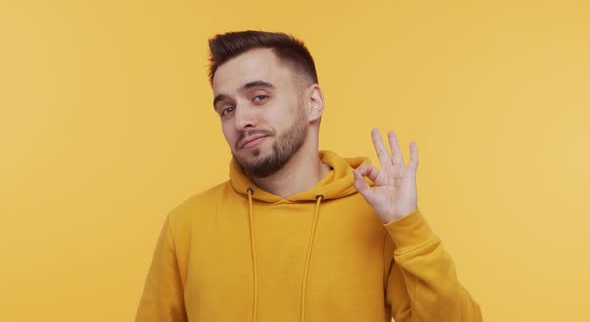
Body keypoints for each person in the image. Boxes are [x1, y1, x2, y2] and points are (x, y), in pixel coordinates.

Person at [135, 30, 482, 322]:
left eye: (259, 97)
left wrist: (409, 227)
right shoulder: (186, 225)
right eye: (227, 108)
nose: (240, 120)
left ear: (313, 102)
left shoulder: (375, 216)